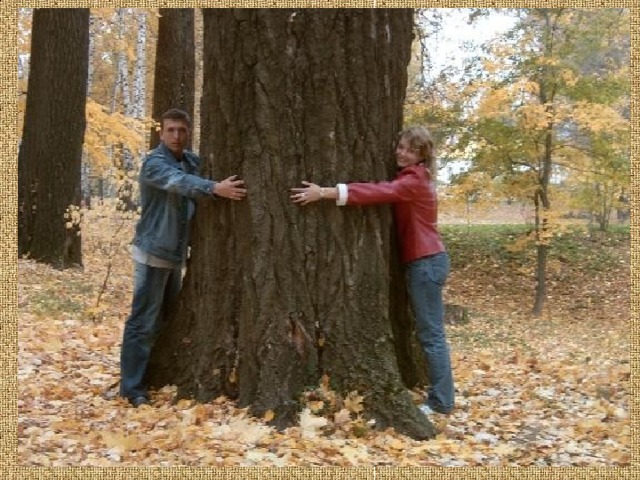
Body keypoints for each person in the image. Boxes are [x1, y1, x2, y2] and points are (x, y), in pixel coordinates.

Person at [290, 125, 454, 415]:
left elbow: (379, 192)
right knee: (429, 333)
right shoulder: (414, 176)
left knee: (431, 335)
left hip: (426, 262)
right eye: (401, 146)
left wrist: (326, 192)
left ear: (422, 156)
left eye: (410, 150)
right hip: (425, 260)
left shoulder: (413, 180)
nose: (401, 153)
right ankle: (440, 395)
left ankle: (441, 401)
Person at [119, 108, 247, 407]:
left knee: (168, 320)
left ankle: (152, 374)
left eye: (182, 131)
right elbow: (178, 182)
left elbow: (192, 174)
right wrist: (215, 188)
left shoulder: (191, 160)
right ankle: (131, 388)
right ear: (161, 133)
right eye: (171, 130)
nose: (176, 136)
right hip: (153, 253)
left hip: (175, 255)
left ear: (189, 133)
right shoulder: (155, 163)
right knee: (143, 321)